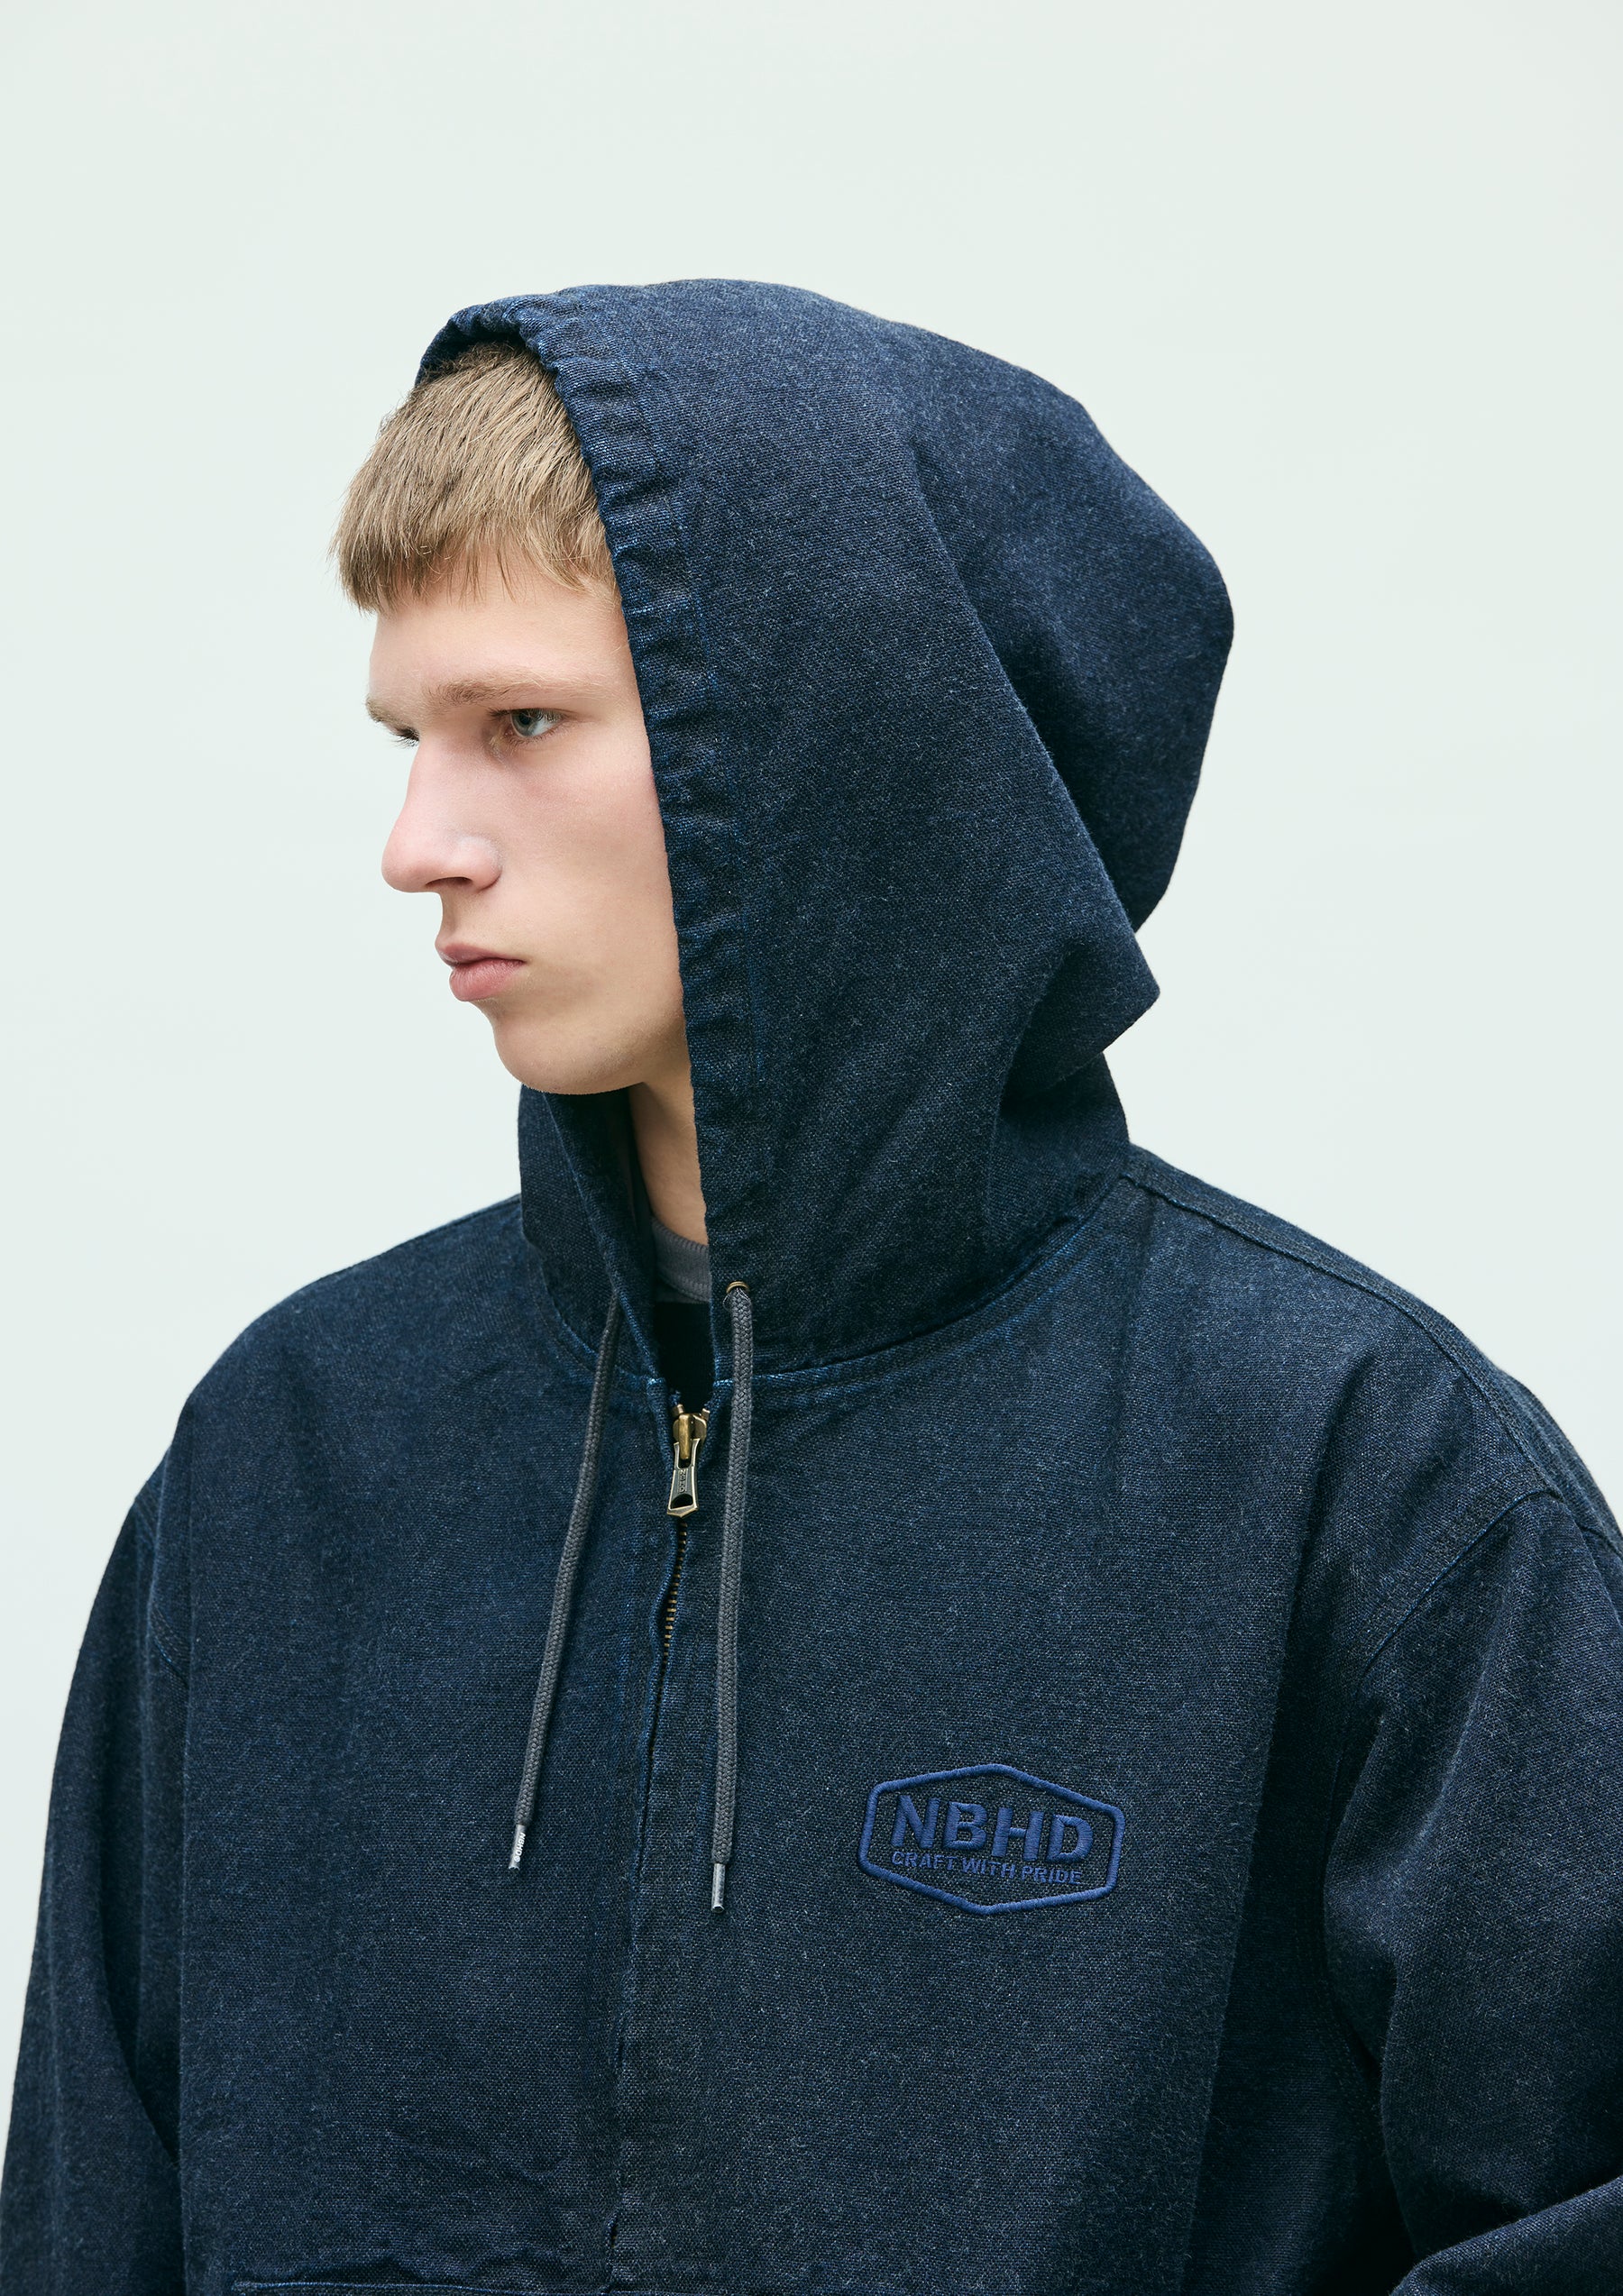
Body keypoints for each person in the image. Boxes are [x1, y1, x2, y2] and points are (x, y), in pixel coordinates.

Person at [3, 281, 1619, 2296]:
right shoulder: (289, 1458)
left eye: (522, 725)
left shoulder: (1359, 1483)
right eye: (410, 738)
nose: (420, 843)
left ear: (832, 745)